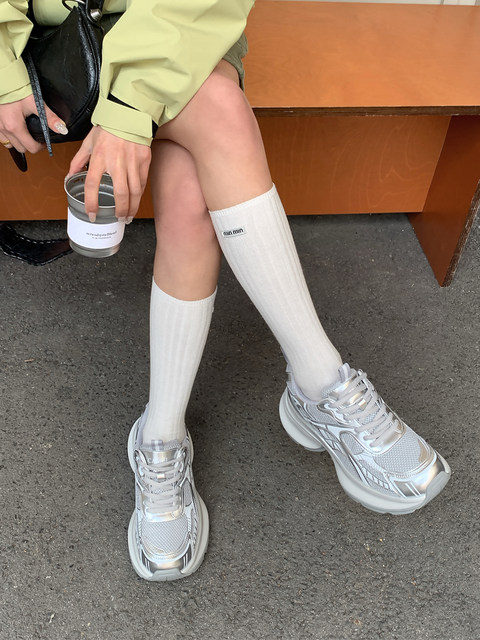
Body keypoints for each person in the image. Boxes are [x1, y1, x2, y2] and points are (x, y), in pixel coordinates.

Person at [0, 0, 451, 582]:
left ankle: (162, 435)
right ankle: (318, 387)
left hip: (178, 21)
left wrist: (130, 109)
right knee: (217, 110)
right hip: (51, 47)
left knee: (196, 173)